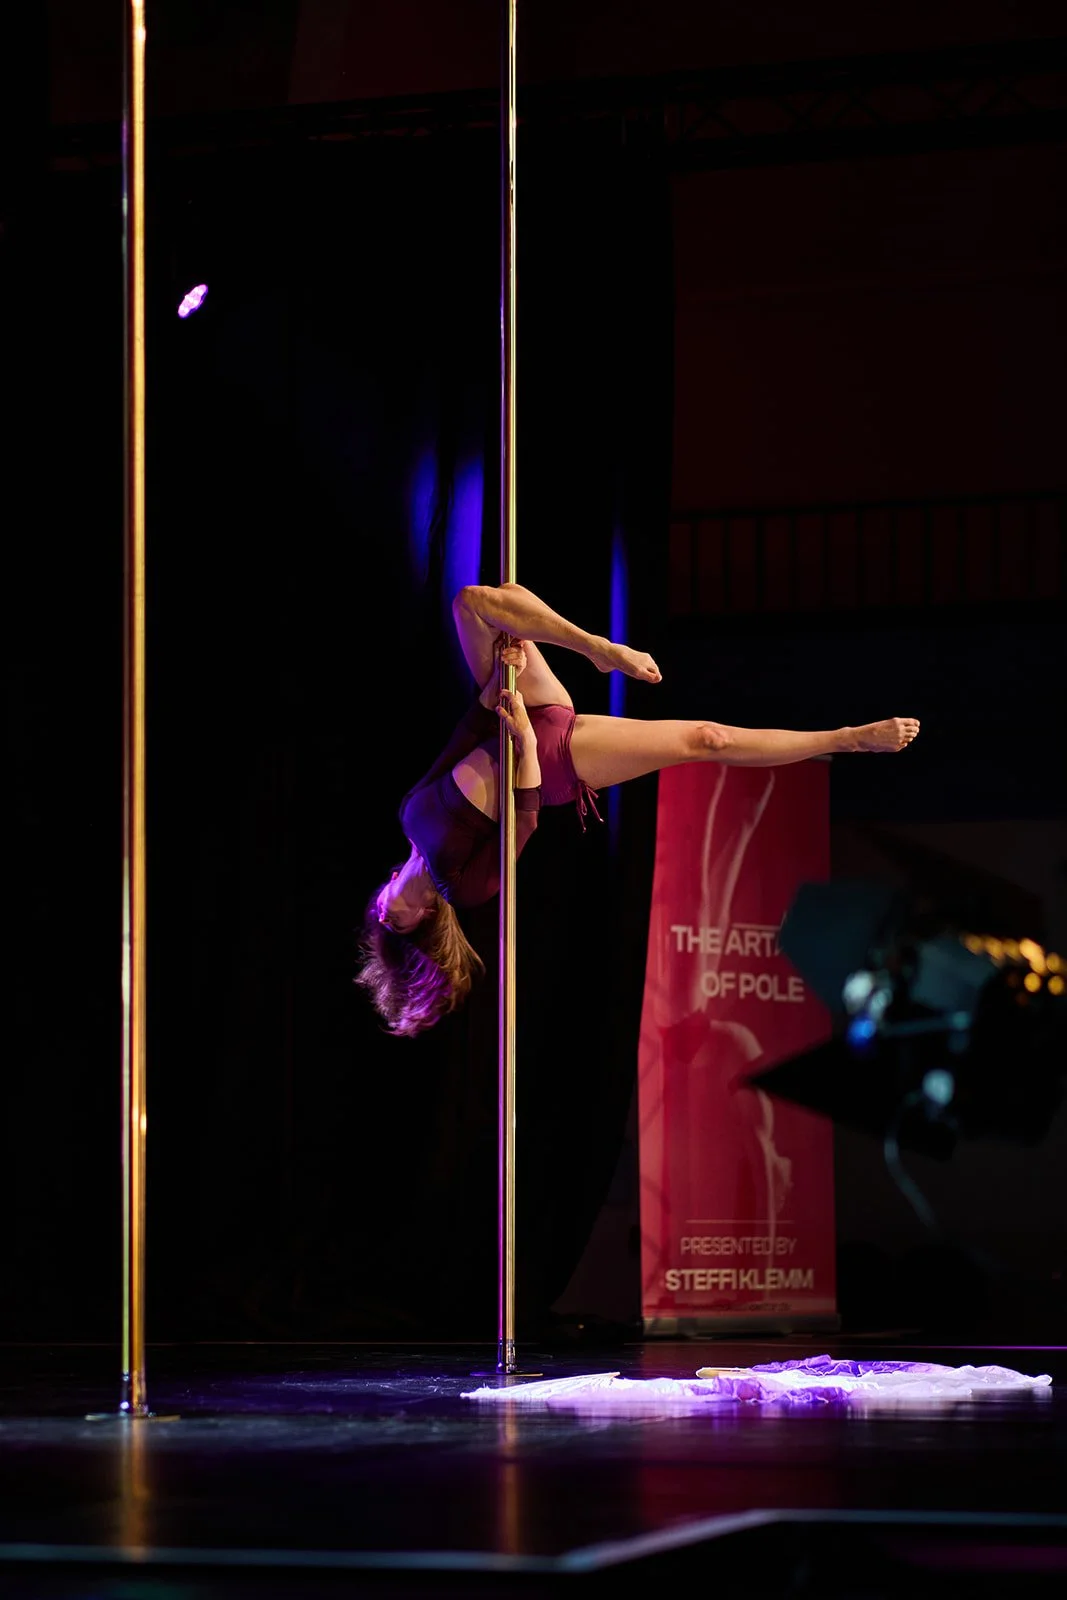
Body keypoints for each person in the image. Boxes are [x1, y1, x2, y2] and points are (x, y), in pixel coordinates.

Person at [355, 581, 920, 1037]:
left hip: (512, 713)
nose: (383, 907)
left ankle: (598, 649)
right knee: (706, 739)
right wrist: (525, 742)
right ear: (421, 921)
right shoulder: (461, 886)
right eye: (392, 921)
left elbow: (460, 741)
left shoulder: (408, 816)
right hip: (549, 759)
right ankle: (847, 739)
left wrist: (491, 697)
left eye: (378, 908)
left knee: (478, 603)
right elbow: (525, 821)